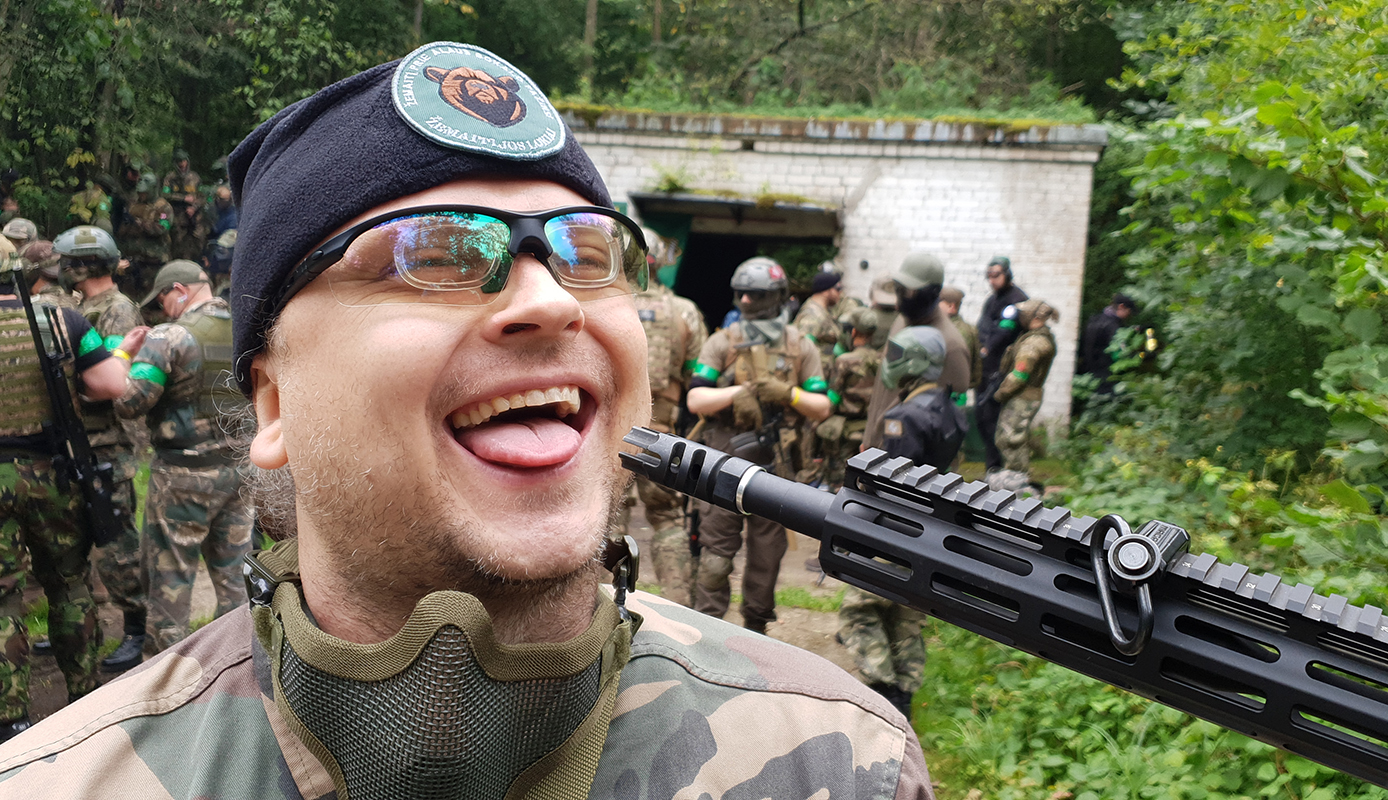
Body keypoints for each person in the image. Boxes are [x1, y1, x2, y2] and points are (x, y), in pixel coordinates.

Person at [0, 42, 932, 799]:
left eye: (588, 252)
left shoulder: (841, 765)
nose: (552, 300)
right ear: (273, 401)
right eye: (437, 254)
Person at [0, 255, 146, 741]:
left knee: (3, 597)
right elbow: (110, 385)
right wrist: (121, 352)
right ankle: (84, 697)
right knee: (69, 585)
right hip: (53, 473)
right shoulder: (64, 320)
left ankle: (11, 719)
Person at [686, 256, 832, 632]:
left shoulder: (801, 346)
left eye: (757, 294)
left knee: (766, 561)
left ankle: (755, 631)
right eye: (743, 294)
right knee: (715, 558)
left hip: (776, 466)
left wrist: (788, 394)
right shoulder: (723, 341)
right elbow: (696, 399)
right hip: (723, 463)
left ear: (777, 296)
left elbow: (822, 406)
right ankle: (706, 633)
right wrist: (738, 393)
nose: (748, 301)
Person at [115, 260, 251, 654]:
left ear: (178, 289)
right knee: (235, 580)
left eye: (161, 301)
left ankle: (166, 674)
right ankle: (240, 666)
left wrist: (122, 355)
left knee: (169, 583)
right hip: (240, 472)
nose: (162, 311)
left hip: (182, 478)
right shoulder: (246, 328)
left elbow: (130, 402)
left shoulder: (169, 336)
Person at [840, 325, 963, 719]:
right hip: (927, 530)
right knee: (906, 613)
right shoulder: (949, 408)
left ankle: (883, 692)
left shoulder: (902, 416)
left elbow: (896, 483)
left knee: (859, 610)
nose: (888, 362)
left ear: (915, 362)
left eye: (896, 355)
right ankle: (905, 696)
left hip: (895, 529)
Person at [54, 227, 150, 671]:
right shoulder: (83, 308)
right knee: (75, 542)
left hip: (107, 444)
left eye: (67, 261)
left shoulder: (116, 310)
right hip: (81, 442)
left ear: (82, 265)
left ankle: (137, 628)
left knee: (117, 546)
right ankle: (78, 627)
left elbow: (109, 383)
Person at [609, 229, 707, 606]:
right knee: (668, 520)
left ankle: (601, 604)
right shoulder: (684, 312)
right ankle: (679, 604)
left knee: (608, 519)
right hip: (661, 435)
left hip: (610, 434)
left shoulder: (606, 306)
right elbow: (696, 374)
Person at [862, 252, 970, 450]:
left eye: (907, 291)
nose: (899, 299)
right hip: (879, 445)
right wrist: (869, 438)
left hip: (911, 453)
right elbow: (883, 387)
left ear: (932, 293)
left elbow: (948, 419)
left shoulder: (951, 344)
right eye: (898, 289)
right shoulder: (902, 321)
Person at [990, 299, 1058, 493]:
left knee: (1011, 438)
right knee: (1008, 437)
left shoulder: (1033, 344)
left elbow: (1020, 375)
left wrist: (1000, 394)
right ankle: (1015, 478)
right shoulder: (1035, 337)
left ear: (1034, 317)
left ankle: (1017, 482)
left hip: (1022, 397)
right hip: (1024, 396)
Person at [975, 256, 1029, 472]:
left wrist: (986, 348)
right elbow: (983, 327)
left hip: (1002, 370)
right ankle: (993, 468)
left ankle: (997, 468)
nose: (992, 280)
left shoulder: (1017, 300)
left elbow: (1004, 332)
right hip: (986, 368)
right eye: (989, 276)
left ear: (1007, 274)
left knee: (993, 420)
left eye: (996, 275)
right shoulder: (992, 300)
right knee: (982, 418)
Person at [822, 308, 880, 490]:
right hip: (871, 430)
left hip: (845, 431)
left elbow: (833, 397)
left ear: (853, 332)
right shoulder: (882, 360)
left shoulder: (844, 361)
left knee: (840, 482)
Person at [115, 173, 173, 300]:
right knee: (128, 294)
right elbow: (122, 231)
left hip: (153, 260)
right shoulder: (132, 204)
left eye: (144, 193)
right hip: (133, 258)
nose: (141, 196)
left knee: (152, 297)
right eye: (140, 193)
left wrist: (140, 223)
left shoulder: (163, 208)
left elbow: (162, 227)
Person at [1082, 293, 1138, 391]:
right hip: (1106, 376)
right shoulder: (1113, 327)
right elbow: (1119, 354)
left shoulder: (1094, 319)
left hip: (1087, 374)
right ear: (1121, 307)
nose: (1129, 316)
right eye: (1129, 311)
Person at [162, 149, 208, 262]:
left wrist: (194, 207)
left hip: (195, 218)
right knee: (178, 246)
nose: (182, 164)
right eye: (179, 161)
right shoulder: (170, 178)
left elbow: (203, 197)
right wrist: (183, 198)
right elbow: (165, 195)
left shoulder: (195, 177)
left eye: (184, 161)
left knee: (198, 242)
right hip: (178, 217)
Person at [938, 285, 980, 390]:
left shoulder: (958, 332)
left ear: (951, 307)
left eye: (939, 302)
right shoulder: (950, 328)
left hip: (952, 390)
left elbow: (958, 366)